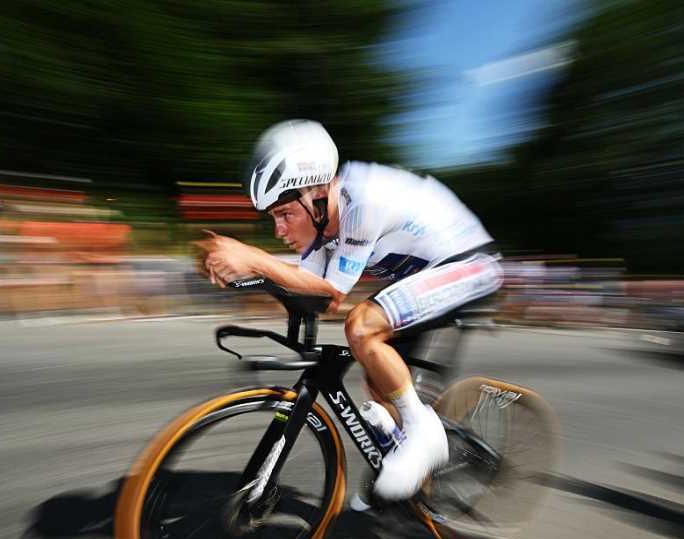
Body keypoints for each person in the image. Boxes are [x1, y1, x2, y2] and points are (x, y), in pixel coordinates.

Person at [198, 119, 503, 501]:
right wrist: (245, 278)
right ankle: (409, 474)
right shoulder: (323, 227)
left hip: (469, 264)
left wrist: (254, 259)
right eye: (273, 218)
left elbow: (329, 297)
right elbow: (304, 291)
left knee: (362, 327)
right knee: (379, 385)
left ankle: (426, 438)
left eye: (284, 214)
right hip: (425, 278)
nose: (279, 230)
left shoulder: (363, 200)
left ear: (318, 194)